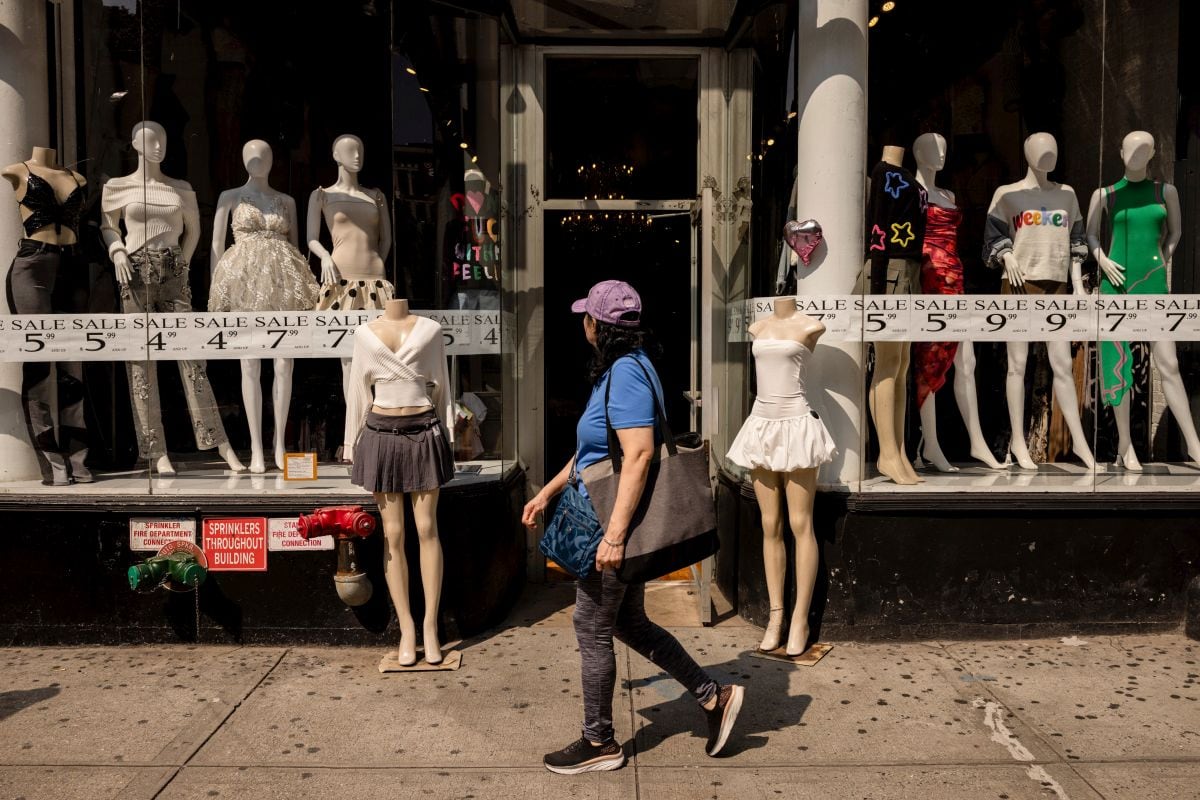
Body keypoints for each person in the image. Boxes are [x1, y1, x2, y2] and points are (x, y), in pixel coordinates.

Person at [522, 280, 744, 774]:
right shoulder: (626, 368)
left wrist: (615, 536)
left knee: (593, 626)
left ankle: (599, 742)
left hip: (610, 523)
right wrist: (547, 491)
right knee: (629, 622)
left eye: (586, 317)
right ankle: (714, 696)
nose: (583, 324)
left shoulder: (625, 374)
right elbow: (594, 451)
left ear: (596, 325)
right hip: (608, 516)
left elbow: (640, 453)